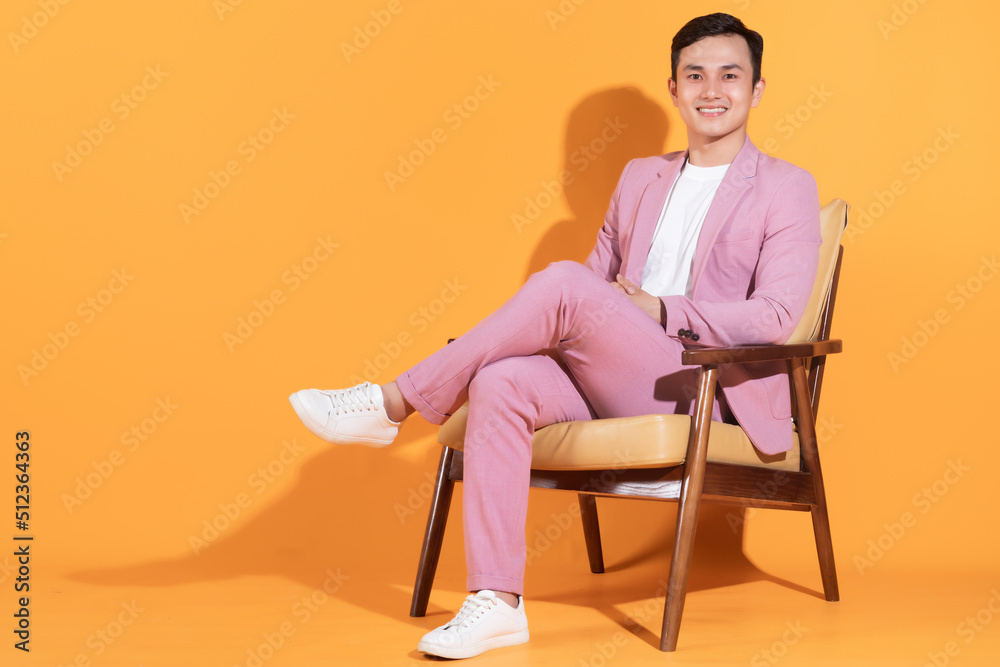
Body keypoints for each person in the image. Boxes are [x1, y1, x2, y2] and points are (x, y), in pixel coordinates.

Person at [289, 12, 821, 660]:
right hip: (611, 373)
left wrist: (658, 306)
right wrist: (579, 317)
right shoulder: (637, 178)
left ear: (757, 90)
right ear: (674, 89)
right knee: (500, 380)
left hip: (699, 384)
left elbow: (772, 315)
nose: (712, 89)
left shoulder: (786, 187)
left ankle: (393, 402)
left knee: (564, 281)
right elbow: (589, 296)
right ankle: (498, 602)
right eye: (695, 75)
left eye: (730, 75)